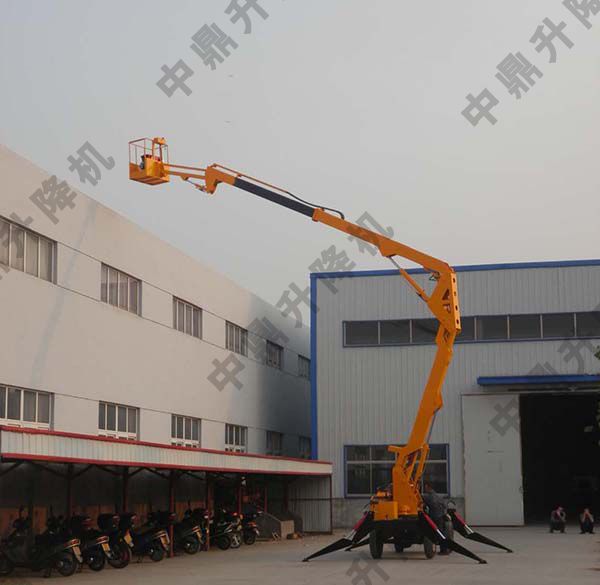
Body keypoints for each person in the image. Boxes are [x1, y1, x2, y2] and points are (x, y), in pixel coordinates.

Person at [423, 482, 449, 554]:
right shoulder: (439, 496)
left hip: (433, 517)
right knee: (441, 532)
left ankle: (441, 549)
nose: (425, 489)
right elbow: (445, 506)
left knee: (433, 532)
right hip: (440, 516)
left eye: (426, 487)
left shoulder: (427, 497)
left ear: (428, 487)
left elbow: (421, 503)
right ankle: (444, 549)